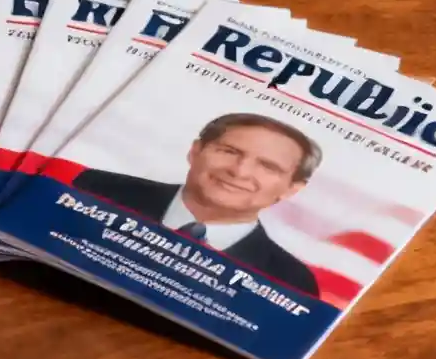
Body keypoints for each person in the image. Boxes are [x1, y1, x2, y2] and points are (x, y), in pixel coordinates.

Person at [72, 113, 324, 296]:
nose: (239, 171)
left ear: (293, 188)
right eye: (229, 151)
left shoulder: (290, 281)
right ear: (195, 152)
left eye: (268, 166)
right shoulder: (96, 188)